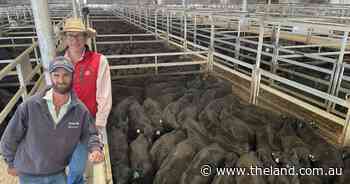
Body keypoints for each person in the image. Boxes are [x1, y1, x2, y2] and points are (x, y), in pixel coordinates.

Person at [0, 56, 104, 184]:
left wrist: (95, 149)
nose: (61, 80)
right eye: (56, 75)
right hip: (29, 174)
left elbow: (90, 134)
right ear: (50, 76)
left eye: (66, 75)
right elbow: (9, 137)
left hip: (57, 173)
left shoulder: (80, 111)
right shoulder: (30, 106)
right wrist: (10, 163)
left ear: (73, 76)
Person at [59, 18, 112, 184]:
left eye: (79, 35)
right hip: (64, 123)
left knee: (80, 168)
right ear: (65, 38)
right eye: (70, 35)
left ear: (86, 37)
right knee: (65, 164)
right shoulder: (58, 63)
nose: (74, 40)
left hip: (89, 124)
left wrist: (98, 126)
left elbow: (104, 96)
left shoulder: (99, 61)